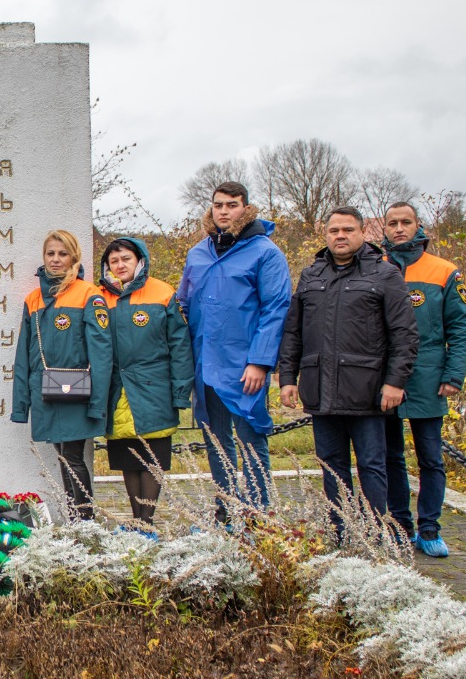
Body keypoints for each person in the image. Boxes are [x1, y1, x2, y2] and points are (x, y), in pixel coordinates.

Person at [279, 206, 418, 536]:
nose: (340, 236)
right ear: (326, 234)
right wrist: (287, 377)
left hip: (366, 392)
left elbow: (404, 334)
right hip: (320, 389)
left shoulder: (385, 275)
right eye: (334, 230)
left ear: (362, 233)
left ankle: (374, 534)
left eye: (347, 230)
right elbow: (294, 331)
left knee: (372, 465)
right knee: (331, 466)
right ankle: (340, 531)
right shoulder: (311, 275)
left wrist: (395, 382)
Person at [177, 181, 291, 525]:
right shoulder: (198, 253)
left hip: (244, 366)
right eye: (218, 205)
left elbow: (276, 308)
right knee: (216, 440)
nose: (224, 211)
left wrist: (260, 361)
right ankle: (226, 511)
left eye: (231, 204)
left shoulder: (265, 252)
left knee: (251, 439)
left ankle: (258, 515)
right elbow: (183, 304)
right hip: (204, 362)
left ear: (245, 208)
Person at [381, 202, 466, 558]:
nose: (399, 228)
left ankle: (430, 528)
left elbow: (461, 327)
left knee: (430, 458)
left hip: (429, 377)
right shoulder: (376, 266)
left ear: (417, 226)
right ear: (385, 228)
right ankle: (400, 526)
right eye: (393, 223)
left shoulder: (443, 271)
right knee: (389, 456)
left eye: (405, 222)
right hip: (385, 378)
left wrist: (454, 374)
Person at [11, 230, 114, 520]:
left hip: (77, 393)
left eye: (62, 254)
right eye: (50, 253)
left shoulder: (88, 294)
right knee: (64, 458)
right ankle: (76, 521)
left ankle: (85, 523)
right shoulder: (33, 299)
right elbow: (24, 355)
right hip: (45, 392)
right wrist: (21, 405)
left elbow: (101, 352)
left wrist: (98, 403)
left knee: (72, 458)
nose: (55, 259)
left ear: (73, 258)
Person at [97, 238, 194, 529]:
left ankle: (147, 522)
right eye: (114, 261)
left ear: (140, 260)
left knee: (153, 457)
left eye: (126, 259)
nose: (120, 265)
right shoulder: (100, 296)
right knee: (127, 457)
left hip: (154, 388)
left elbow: (180, 346)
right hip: (117, 389)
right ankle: (135, 522)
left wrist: (180, 391)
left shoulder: (163, 293)